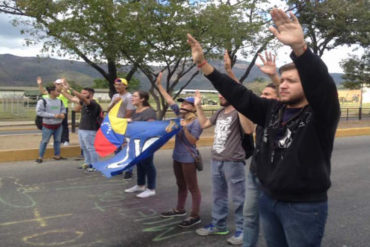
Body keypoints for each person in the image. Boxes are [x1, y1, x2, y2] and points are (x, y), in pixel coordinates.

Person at [187, 8, 340, 247]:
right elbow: (239, 94)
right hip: (268, 199)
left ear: (308, 86)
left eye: (292, 81)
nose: (284, 85)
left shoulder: (320, 114)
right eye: (283, 80)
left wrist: (300, 48)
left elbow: (322, 85)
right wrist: (204, 66)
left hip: (302, 207)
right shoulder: (272, 110)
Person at [194, 52, 254, 246]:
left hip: (233, 161)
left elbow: (248, 129)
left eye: (223, 92)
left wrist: (230, 73)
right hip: (217, 159)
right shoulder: (220, 112)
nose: (220, 95)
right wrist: (198, 106)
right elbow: (203, 124)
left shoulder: (239, 112)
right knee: (218, 196)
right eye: (219, 93)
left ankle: (243, 230)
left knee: (239, 199)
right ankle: (219, 225)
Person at [242, 52, 279, 247]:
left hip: (276, 177)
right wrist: (242, 106)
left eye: (267, 95)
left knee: (274, 222)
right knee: (249, 216)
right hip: (255, 173)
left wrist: (275, 77)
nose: (262, 98)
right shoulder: (262, 118)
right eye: (262, 94)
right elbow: (248, 129)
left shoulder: (284, 118)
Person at [156, 72, 203, 228]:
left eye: (186, 104)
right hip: (177, 156)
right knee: (180, 184)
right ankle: (180, 209)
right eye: (182, 103)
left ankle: (195, 215)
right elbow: (169, 100)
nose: (182, 105)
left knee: (192, 187)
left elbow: (193, 141)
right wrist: (159, 86)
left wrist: (184, 128)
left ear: (193, 108)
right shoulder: (179, 115)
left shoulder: (196, 122)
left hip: (188, 158)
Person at [124, 90, 158, 198]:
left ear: (142, 99)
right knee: (139, 163)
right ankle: (140, 185)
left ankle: (151, 188)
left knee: (147, 164)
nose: (132, 98)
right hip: (136, 142)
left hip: (146, 142)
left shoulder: (149, 112)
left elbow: (150, 128)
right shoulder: (136, 111)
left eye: (134, 96)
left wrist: (132, 123)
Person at [61, 84, 102, 171]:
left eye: (84, 93)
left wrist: (70, 88)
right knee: (84, 147)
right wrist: (62, 90)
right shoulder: (83, 102)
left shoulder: (93, 103)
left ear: (90, 94)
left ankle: (95, 165)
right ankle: (87, 163)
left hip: (90, 129)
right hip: (82, 129)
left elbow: (81, 98)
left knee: (91, 148)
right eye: (81, 93)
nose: (81, 94)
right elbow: (72, 98)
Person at [107, 77, 136, 179]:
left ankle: (129, 170)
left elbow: (129, 113)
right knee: (116, 148)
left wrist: (120, 123)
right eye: (116, 85)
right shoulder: (115, 96)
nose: (117, 86)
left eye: (120, 84)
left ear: (125, 85)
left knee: (126, 148)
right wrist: (114, 102)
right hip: (115, 125)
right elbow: (108, 110)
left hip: (124, 125)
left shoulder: (129, 97)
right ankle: (119, 167)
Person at [35, 85, 66, 163]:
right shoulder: (43, 101)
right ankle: (40, 157)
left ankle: (57, 155)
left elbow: (63, 109)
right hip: (47, 125)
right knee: (44, 141)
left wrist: (62, 114)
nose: (59, 92)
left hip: (58, 125)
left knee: (58, 140)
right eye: (57, 91)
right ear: (51, 91)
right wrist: (54, 115)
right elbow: (39, 112)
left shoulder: (60, 101)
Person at [37, 76, 70, 146]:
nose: (57, 85)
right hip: (54, 109)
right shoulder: (53, 91)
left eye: (59, 84)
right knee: (57, 126)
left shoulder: (64, 91)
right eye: (56, 84)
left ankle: (65, 140)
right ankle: (59, 140)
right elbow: (43, 91)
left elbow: (66, 89)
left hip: (63, 109)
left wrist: (64, 83)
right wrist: (40, 84)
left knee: (64, 125)